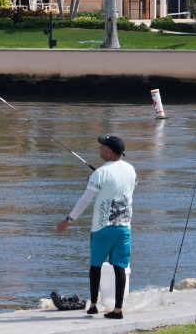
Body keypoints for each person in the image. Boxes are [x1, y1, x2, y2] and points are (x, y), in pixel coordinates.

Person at [56, 135, 137, 319]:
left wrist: (68, 220)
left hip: (102, 228)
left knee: (95, 266)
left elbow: (85, 200)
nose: (99, 150)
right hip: (124, 228)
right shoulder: (131, 169)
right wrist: (96, 181)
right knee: (120, 268)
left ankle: (93, 306)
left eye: (101, 147)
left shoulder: (100, 173)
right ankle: (118, 310)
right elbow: (124, 188)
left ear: (109, 151)